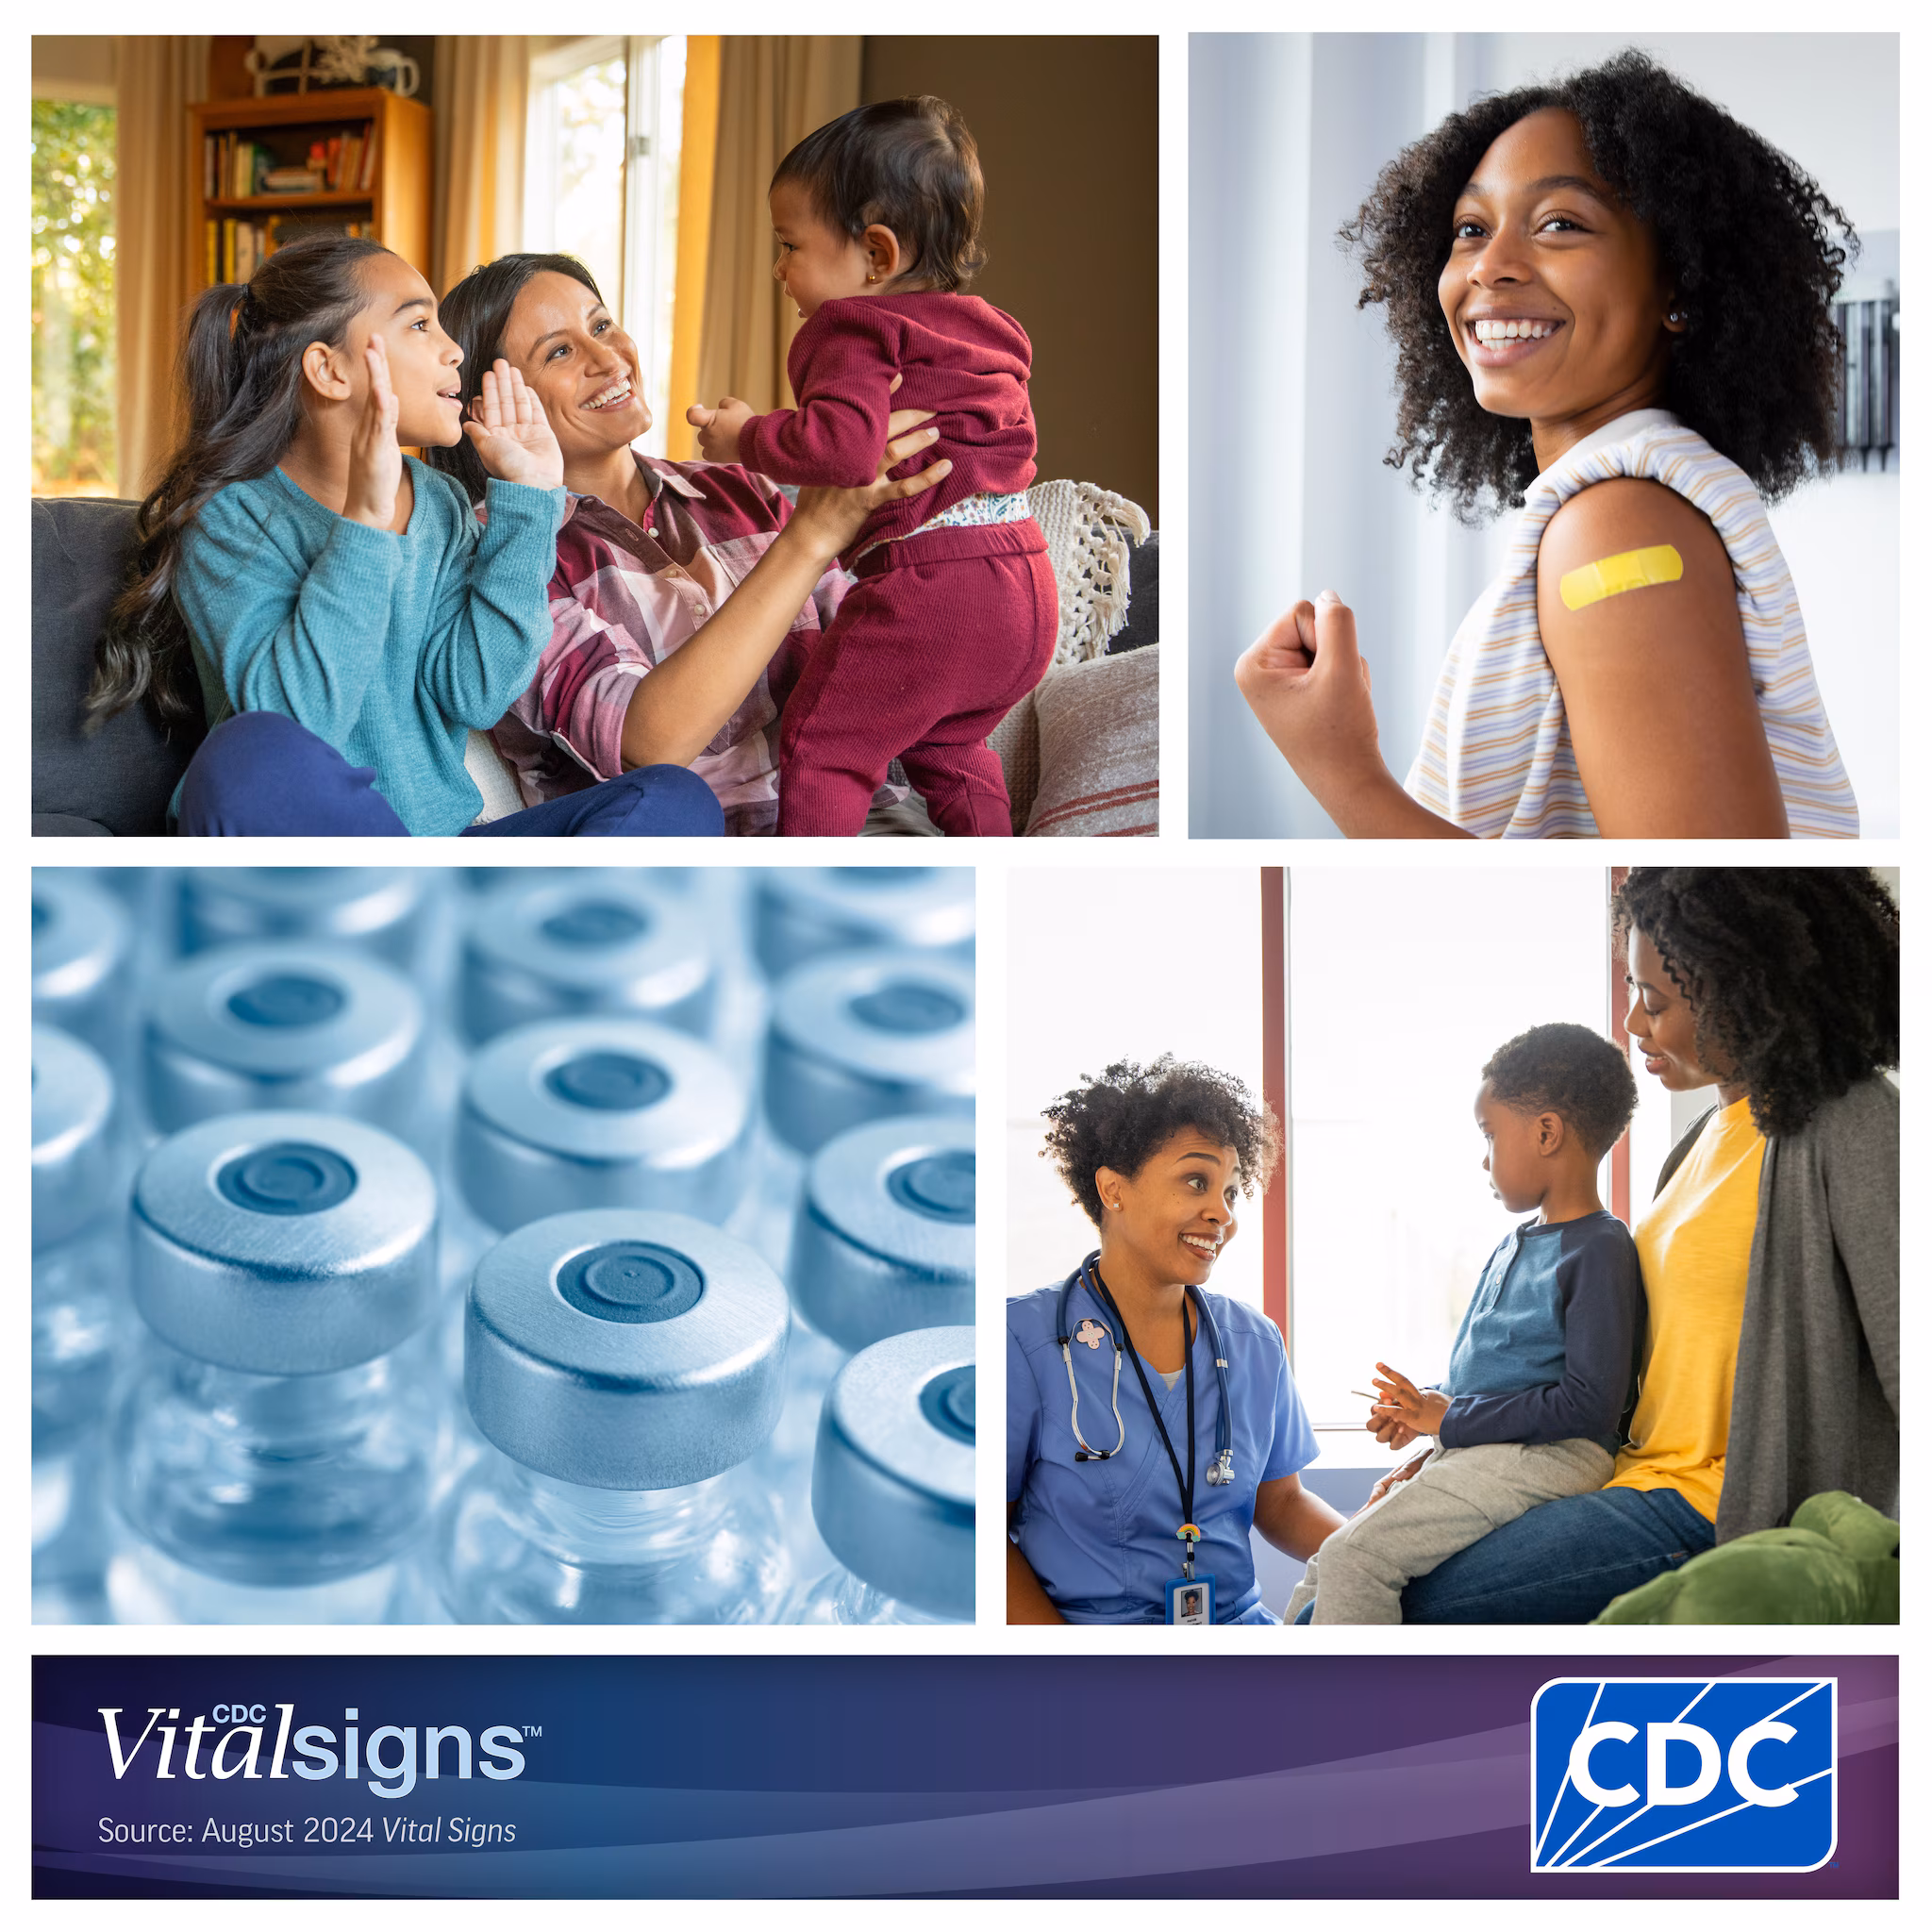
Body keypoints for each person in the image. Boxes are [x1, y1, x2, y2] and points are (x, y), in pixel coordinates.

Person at [1235, 51, 1859, 841]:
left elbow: (1708, 914)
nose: (1490, 267)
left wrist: (1342, 770)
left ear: (1680, 287)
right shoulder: (1637, 500)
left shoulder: (1619, 529)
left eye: (1559, 223)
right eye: (1470, 229)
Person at [1389, 868, 1898, 1623]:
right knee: (1363, 1569)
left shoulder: (1851, 1121)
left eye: (1653, 1001)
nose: (1631, 1022)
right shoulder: (1693, 1147)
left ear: (1745, 989)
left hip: (1715, 1505)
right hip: (1624, 1475)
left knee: (1408, 1597)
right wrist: (1448, 1461)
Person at [89, 234, 722, 837]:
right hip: (311, 848)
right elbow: (294, 724)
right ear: (329, 370)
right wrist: (365, 527)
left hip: (437, 855)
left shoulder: (440, 504)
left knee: (671, 797)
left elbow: (474, 693)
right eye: (420, 325)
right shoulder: (231, 521)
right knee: (248, 754)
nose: (455, 352)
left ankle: (434, 929)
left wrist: (529, 501)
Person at [425, 253, 951, 835]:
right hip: (694, 860)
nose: (607, 359)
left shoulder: (741, 489)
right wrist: (812, 537)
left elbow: (875, 660)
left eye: (600, 326)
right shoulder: (502, 556)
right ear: (488, 411)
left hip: (871, 823)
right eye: (560, 352)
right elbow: (650, 744)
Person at [688, 96, 1058, 837]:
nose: (778, 267)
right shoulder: (991, 326)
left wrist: (744, 436)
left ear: (877, 256)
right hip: (1025, 586)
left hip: (935, 587)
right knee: (950, 748)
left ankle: (807, 912)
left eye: (790, 245)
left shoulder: (852, 324)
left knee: (823, 746)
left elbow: (845, 448)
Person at [1285, 1023, 1641, 1624]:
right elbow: (1495, 1375)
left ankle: (1348, 1716)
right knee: (1328, 1558)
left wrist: (1448, 1418)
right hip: (1492, 1450)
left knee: (1356, 1559)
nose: (1484, 1157)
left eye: (1490, 1134)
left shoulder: (1600, 1249)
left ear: (1547, 1132)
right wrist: (1426, 1408)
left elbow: (1592, 1405)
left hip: (1554, 1456)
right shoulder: (1514, 1244)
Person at [1007, 1057, 1343, 1624]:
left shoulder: (1253, 1342)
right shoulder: (1025, 1341)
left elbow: (1281, 1503)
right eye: (1197, 1181)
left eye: (1233, 1192)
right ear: (1113, 1189)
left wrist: (1376, 1551)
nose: (1223, 1214)